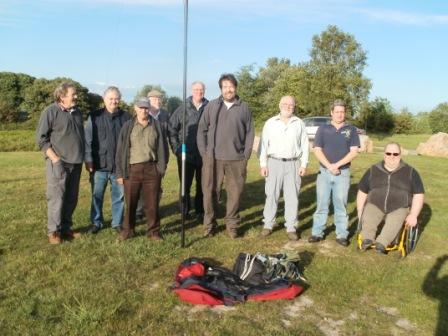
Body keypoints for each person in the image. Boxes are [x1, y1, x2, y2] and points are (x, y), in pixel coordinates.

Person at [197, 73, 255, 238]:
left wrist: (246, 154)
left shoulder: (244, 107)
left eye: (231, 86)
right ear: (221, 89)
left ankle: (232, 225)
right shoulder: (213, 106)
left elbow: (250, 131)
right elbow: (202, 130)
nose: (228, 90)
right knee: (209, 192)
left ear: (235, 88)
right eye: (225, 87)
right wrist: (204, 152)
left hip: (236, 159)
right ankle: (209, 225)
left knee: (235, 193)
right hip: (213, 158)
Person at [36, 82, 84, 244]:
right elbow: (41, 139)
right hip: (58, 163)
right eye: (73, 94)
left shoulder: (77, 112)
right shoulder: (50, 112)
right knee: (57, 198)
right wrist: (55, 159)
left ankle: (66, 229)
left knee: (71, 198)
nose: (76, 96)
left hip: (76, 163)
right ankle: (54, 232)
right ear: (62, 97)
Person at [356, 142, 425, 253]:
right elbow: (362, 191)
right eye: (388, 153)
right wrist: (360, 210)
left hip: (399, 206)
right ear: (384, 155)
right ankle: (367, 239)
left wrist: (413, 215)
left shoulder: (411, 172)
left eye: (395, 154)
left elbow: (419, 195)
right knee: (368, 213)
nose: (392, 156)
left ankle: (382, 243)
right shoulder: (373, 170)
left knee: (396, 219)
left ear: (400, 155)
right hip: (375, 203)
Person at [308, 99, 360, 247]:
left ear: (345, 113)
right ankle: (317, 233)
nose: (339, 114)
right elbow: (317, 150)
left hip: (342, 173)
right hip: (324, 172)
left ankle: (342, 234)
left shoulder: (351, 130)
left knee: (341, 204)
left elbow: (354, 152)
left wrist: (336, 165)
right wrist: (329, 166)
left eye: (342, 112)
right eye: (336, 112)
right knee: (322, 204)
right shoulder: (323, 129)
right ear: (331, 113)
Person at [115, 98, 167, 241]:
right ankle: (128, 231)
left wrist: (160, 170)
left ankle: (153, 232)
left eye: (146, 108)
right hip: (132, 170)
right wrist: (120, 173)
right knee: (130, 202)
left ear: (149, 109)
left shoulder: (157, 125)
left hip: (152, 169)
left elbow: (163, 149)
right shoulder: (128, 126)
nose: (144, 110)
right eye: (141, 108)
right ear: (135, 108)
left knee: (152, 203)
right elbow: (120, 151)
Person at [259, 96, 309, 241]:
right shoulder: (270, 123)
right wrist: (263, 164)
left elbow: (305, 145)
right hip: (273, 162)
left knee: (292, 197)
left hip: (293, 164)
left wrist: (304, 164)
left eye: (291, 104)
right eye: (285, 104)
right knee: (271, 195)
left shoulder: (299, 123)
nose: (288, 106)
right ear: (279, 105)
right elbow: (263, 145)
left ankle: (291, 227)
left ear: (294, 107)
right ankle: (268, 224)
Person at [84, 86, 131, 234]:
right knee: (96, 196)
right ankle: (96, 222)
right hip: (99, 165)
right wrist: (88, 159)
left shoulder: (127, 117)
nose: (114, 101)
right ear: (104, 100)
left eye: (116, 98)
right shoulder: (94, 116)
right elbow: (87, 140)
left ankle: (117, 223)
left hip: (119, 167)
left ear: (120, 99)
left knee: (119, 196)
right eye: (110, 98)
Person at [168, 81, 208, 219]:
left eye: (201, 89)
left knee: (202, 185)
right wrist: (177, 149)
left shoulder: (209, 108)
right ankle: (184, 211)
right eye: (196, 89)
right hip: (186, 154)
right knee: (185, 184)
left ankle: (200, 211)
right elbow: (171, 129)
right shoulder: (182, 109)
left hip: (204, 154)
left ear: (204, 91)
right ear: (192, 91)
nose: (199, 92)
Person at [135, 89, 169, 220]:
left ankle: (153, 210)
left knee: (156, 186)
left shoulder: (165, 115)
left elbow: (169, 134)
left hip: (159, 156)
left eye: (159, 99)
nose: (158, 101)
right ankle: (138, 212)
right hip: (144, 156)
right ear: (148, 101)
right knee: (141, 186)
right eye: (154, 99)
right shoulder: (142, 113)